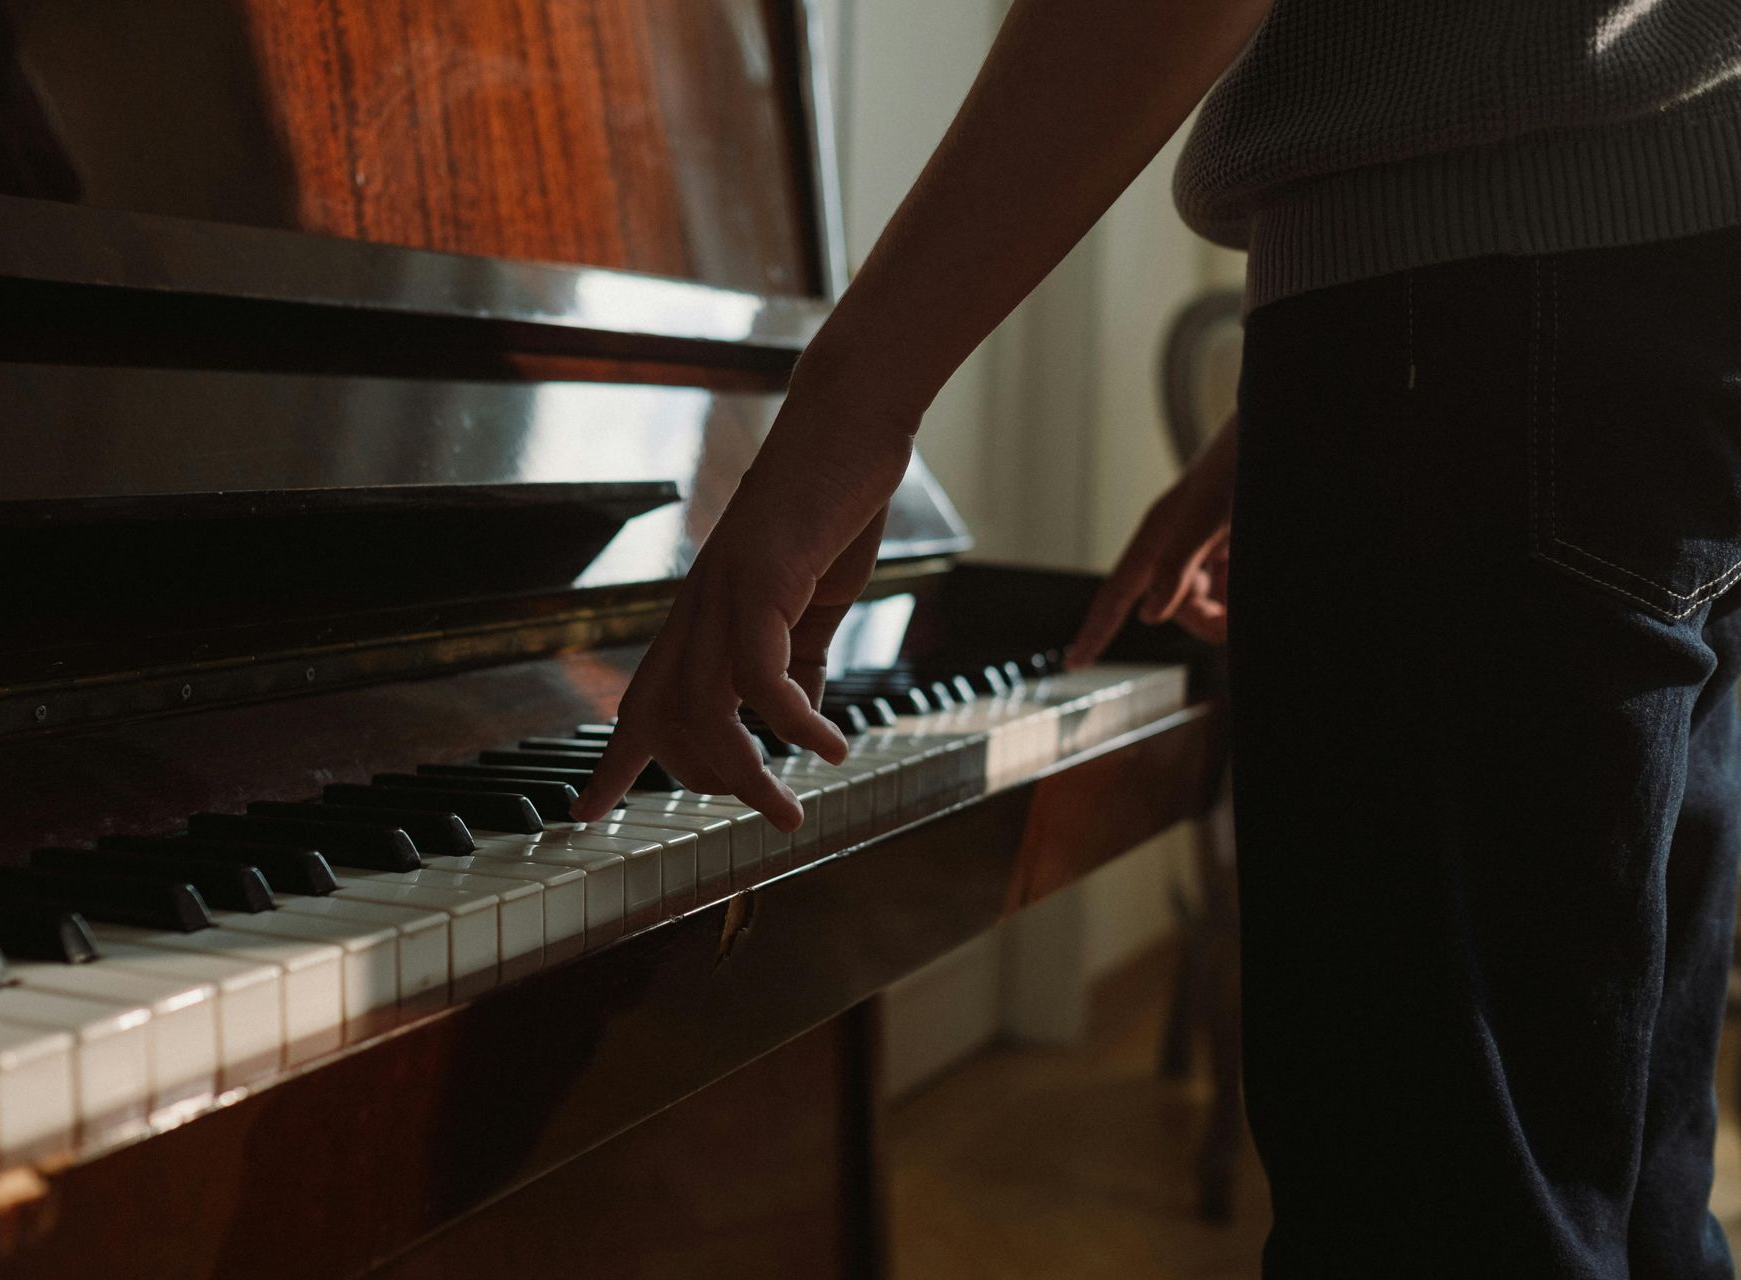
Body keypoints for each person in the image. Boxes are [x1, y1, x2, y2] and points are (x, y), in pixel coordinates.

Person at [569, 1, 1741, 1273]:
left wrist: (849, 404)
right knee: (1630, 1194)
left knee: (1448, 1230)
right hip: (1656, 311)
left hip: (1469, 330)